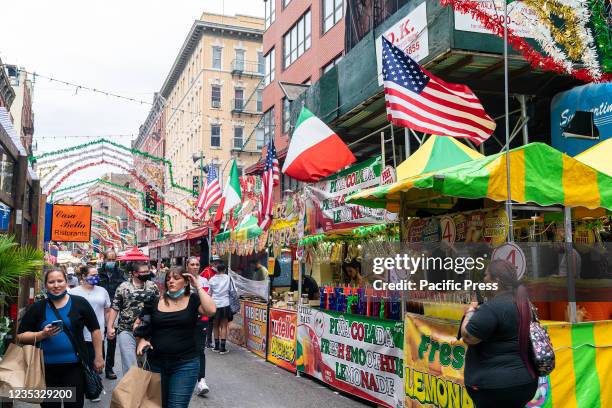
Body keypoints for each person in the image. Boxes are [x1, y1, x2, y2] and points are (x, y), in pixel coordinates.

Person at [17, 268, 104, 408]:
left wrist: (98, 357)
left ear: (66, 282)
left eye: (60, 281)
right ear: (46, 285)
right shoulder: (38, 308)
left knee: (74, 405)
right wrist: (42, 335)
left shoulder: (80, 303)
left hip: (74, 368)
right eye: (51, 282)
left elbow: (95, 330)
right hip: (46, 370)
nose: (56, 285)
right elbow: (20, 336)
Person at [460, 260, 538, 407]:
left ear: (496, 280)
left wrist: (470, 310)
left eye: (486, 275)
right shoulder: (525, 303)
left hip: (494, 387)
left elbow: (468, 337)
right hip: (525, 382)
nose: (484, 279)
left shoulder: (491, 308)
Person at [135, 267, 216, 408]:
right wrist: (141, 340)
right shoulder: (154, 302)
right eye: (168, 279)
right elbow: (138, 325)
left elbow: (211, 311)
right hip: (155, 363)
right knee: (157, 405)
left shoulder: (193, 300)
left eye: (176, 278)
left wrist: (197, 285)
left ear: (185, 282)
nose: (171, 281)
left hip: (185, 364)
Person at [107, 262, 159, 376]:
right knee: (130, 364)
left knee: (144, 364)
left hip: (147, 331)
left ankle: (143, 391)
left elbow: (159, 306)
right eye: (143, 272)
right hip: (126, 330)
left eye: (148, 271)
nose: (146, 274)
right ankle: (131, 391)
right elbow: (115, 307)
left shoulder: (152, 286)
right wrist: (110, 327)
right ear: (135, 273)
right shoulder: (123, 287)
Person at [68, 265, 111, 402]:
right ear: (83, 277)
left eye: (96, 274)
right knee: (80, 362)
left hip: (97, 332)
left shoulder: (102, 291)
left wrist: (109, 326)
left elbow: (107, 310)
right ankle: (80, 389)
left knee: (95, 361)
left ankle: (93, 390)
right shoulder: (73, 292)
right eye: (92, 275)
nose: (95, 277)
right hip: (79, 334)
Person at [98, 249, 125, 379]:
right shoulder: (98, 273)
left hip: (114, 310)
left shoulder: (120, 273)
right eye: (109, 259)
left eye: (113, 260)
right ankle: (100, 362)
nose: (111, 262)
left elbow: (124, 290)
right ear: (104, 260)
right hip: (99, 309)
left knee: (111, 338)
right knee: (99, 338)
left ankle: (109, 368)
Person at [186, 256, 210, 396]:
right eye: (192, 264)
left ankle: (201, 380)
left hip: (201, 319)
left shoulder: (204, 281)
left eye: (197, 264)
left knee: (200, 349)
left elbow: (206, 299)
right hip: (183, 319)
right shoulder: (181, 279)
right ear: (187, 265)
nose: (195, 267)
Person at [208, 262, 232, 354]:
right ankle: (223, 348)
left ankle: (216, 347)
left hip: (214, 304)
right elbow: (233, 291)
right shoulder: (228, 278)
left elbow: (209, 293)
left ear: (216, 270)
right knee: (224, 326)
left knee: (215, 326)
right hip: (225, 304)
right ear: (225, 270)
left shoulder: (212, 279)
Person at [200, 256, 220, 349]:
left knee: (212, 322)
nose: (217, 264)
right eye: (215, 263)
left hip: (215, 299)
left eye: (218, 263)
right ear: (211, 263)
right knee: (208, 321)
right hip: (207, 298)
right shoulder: (206, 272)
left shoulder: (218, 272)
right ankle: (207, 341)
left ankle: (209, 341)